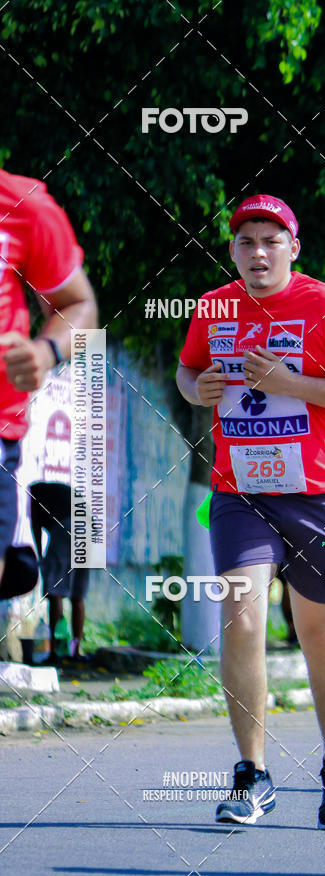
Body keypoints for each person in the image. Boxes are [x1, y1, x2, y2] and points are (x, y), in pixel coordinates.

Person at [177, 194, 325, 830]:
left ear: (293, 248)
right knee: (241, 618)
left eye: (272, 241)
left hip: (319, 497)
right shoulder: (212, 307)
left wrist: (288, 384)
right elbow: (188, 374)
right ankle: (252, 774)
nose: (258, 253)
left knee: (319, 634)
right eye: (246, 242)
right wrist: (198, 389)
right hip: (240, 492)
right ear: (233, 250)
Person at [0, 167, 97, 654]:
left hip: (4, 433)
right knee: (60, 583)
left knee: (66, 585)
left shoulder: (22, 205)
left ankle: (69, 645)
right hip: (57, 513)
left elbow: (79, 305)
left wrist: (46, 351)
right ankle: (66, 643)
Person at [29, 480, 91, 664]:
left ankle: (56, 652)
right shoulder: (52, 491)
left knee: (55, 591)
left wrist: (41, 559)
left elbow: (36, 527)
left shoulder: (31, 494)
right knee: (77, 595)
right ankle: (75, 651)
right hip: (89, 528)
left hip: (66, 526)